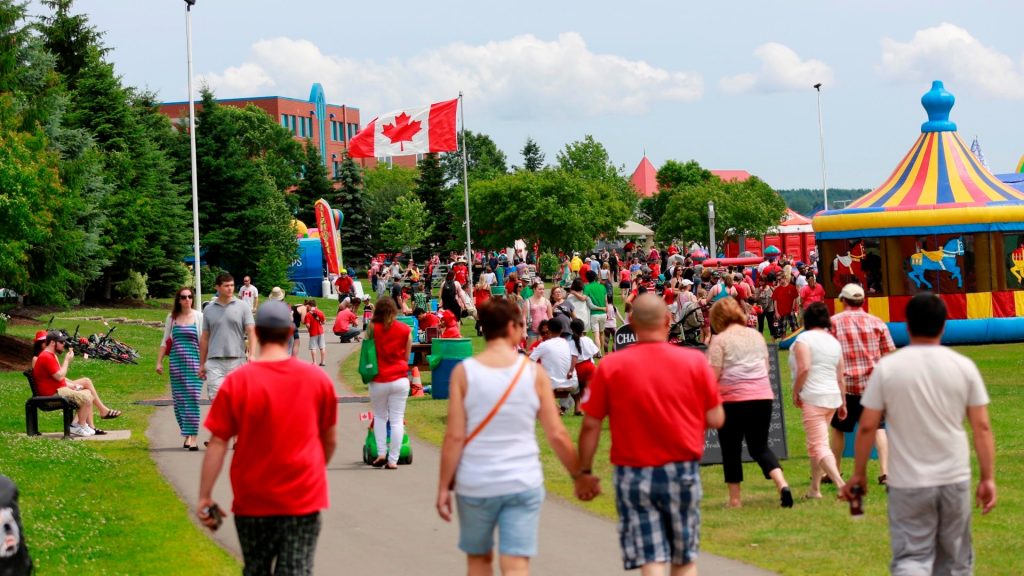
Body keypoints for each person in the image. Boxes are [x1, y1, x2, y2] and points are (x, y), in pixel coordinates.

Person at [839, 293, 996, 575]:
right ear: (944, 325)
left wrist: (859, 473)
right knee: (957, 561)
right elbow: (982, 427)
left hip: (907, 480)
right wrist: (987, 478)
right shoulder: (963, 367)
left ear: (907, 325)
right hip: (953, 475)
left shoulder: (888, 368)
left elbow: (866, 425)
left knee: (911, 558)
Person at [577, 294, 724, 574]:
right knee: (684, 558)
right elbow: (716, 417)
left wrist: (584, 471)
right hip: (681, 467)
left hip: (633, 471)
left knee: (651, 557)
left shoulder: (610, 365)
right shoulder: (694, 362)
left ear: (630, 322)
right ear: (668, 321)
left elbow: (591, 424)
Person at [436, 298, 583, 576]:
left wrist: (444, 486)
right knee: (516, 563)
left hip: (476, 481)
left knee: (478, 561)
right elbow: (557, 434)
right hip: (521, 479)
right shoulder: (533, 373)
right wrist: (579, 474)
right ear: (514, 328)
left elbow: (454, 436)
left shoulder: (464, 373)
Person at [197, 300, 337, 574]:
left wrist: (205, 496)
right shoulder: (317, 380)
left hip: (253, 500)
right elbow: (329, 440)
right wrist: (314, 470)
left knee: (256, 568)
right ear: (289, 333)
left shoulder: (238, 382)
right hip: (302, 498)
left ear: (257, 333)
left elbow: (217, 442)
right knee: (296, 569)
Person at [706, 298, 792, 508]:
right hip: (762, 397)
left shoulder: (720, 340)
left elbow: (713, 374)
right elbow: (766, 366)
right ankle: (782, 484)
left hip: (732, 400)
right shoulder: (756, 336)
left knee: (731, 448)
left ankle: (735, 499)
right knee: (760, 446)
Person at [829, 283, 895, 485]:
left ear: (843, 300)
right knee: (879, 428)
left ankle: (835, 471)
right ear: (863, 300)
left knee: (838, 429)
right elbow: (890, 353)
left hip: (844, 387)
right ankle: (885, 472)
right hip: (872, 386)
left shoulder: (833, 323)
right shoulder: (876, 322)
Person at [790, 302, 847, 497]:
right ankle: (815, 489)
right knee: (816, 444)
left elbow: (804, 368)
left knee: (818, 445)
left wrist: (796, 391)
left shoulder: (803, 340)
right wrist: (843, 402)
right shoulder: (833, 341)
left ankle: (841, 484)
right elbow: (840, 375)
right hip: (832, 396)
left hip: (814, 396)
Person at [33, 331, 122, 437]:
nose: (64, 344)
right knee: (86, 397)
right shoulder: (46, 357)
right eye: (61, 342)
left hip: (57, 390)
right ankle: (76, 426)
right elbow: (59, 376)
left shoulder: (49, 355)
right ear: (53, 343)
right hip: (52, 395)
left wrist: (72, 386)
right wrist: (66, 360)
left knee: (88, 393)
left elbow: (58, 378)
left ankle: (81, 425)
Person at [156, 287, 204, 450]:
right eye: (183, 297)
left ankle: (194, 438)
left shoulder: (199, 317)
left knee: (192, 398)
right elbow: (164, 342)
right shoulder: (172, 317)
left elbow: (204, 342)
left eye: (190, 297)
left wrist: (205, 364)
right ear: (178, 299)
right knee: (180, 401)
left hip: (194, 362)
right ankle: (187, 434)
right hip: (176, 362)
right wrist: (159, 362)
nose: (187, 300)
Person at [368, 297, 413, 469]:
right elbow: (407, 356)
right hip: (400, 378)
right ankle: (393, 460)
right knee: (397, 420)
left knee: (380, 416)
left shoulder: (373, 328)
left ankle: (381, 453)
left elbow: (367, 350)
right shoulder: (404, 329)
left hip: (379, 378)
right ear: (394, 310)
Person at [199, 273, 256, 401]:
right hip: (215, 362)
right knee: (217, 402)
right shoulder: (208, 309)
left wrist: (252, 354)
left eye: (232, 285)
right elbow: (205, 338)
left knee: (237, 402)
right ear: (217, 287)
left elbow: (251, 332)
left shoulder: (243, 307)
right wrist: (202, 363)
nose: (230, 288)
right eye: (226, 286)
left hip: (237, 360)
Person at [529, 316, 577, 413]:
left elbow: (529, 362)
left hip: (553, 384)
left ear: (549, 330)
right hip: (573, 383)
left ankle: (555, 408)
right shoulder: (567, 343)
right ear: (562, 330)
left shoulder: (543, 345)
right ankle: (577, 407)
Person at [568, 318, 599, 417]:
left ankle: (579, 408)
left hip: (578, 367)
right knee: (587, 390)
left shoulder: (571, 342)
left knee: (578, 389)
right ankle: (589, 409)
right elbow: (595, 353)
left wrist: (570, 370)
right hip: (590, 366)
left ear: (572, 329)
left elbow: (573, 357)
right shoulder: (588, 339)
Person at [582, 271, 607, 355]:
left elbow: (584, 298)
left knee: (596, 335)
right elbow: (606, 300)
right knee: (602, 333)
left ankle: (598, 352)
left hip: (594, 313)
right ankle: (602, 352)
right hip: (603, 313)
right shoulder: (602, 287)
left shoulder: (587, 287)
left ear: (587, 278)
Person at [771, 274, 799, 339]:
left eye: (780, 279)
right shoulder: (777, 290)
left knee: (795, 328)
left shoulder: (792, 287)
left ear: (784, 278)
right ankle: (783, 342)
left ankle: (795, 341)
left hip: (790, 311)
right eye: (777, 280)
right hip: (781, 313)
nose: (779, 281)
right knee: (782, 330)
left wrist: (795, 309)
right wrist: (776, 312)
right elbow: (775, 301)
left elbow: (795, 298)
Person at [526, 279, 552, 348]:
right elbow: (523, 317)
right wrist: (523, 331)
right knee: (531, 350)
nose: (542, 291)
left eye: (543, 289)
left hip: (545, 331)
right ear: (534, 289)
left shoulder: (546, 301)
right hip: (532, 330)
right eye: (540, 289)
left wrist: (552, 330)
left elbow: (550, 316)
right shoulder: (528, 301)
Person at [303, 300, 327, 366]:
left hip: (313, 332)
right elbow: (324, 322)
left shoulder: (308, 314)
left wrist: (308, 328)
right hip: (320, 332)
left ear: (310, 305)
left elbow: (308, 325)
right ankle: (323, 361)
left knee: (313, 348)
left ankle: (314, 362)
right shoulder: (320, 312)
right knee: (322, 347)